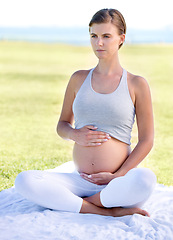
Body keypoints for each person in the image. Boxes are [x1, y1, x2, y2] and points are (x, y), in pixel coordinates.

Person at [15, 8, 157, 217]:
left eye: (106, 36)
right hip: (80, 180)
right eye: (94, 36)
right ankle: (106, 211)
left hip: (117, 183)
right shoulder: (78, 79)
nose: (99, 43)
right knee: (24, 180)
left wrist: (118, 175)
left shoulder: (136, 84)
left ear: (121, 39)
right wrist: (75, 134)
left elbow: (147, 140)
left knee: (145, 179)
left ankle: (79, 204)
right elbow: (62, 125)